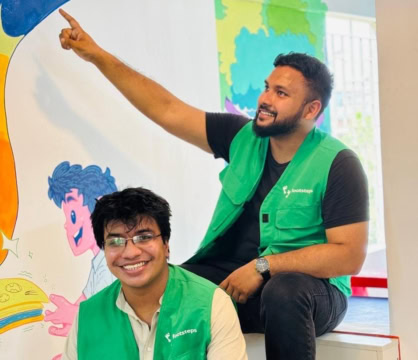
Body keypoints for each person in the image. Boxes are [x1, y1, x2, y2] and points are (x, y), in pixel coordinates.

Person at [58, 9, 369, 360]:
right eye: (267, 87)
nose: (265, 99)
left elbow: (348, 255)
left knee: (284, 291)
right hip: (233, 282)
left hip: (310, 295)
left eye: (281, 93)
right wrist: (97, 55)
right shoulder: (242, 136)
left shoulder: (338, 163)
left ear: (311, 110)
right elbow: (167, 109)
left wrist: (263, 267)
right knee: (169, 284)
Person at [61, 187, 247, 360]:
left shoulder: (212, 304)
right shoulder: (87, 318)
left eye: (144, 237)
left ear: (166, 244)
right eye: (116, 241)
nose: (131, 252)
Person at [45, 161, 117, 337]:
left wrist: (76, 317)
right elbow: (84, 305)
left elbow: (109, 318)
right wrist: (65, 313)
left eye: (72, 215)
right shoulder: (99, 261)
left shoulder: (113, 264)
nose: (66, 225)